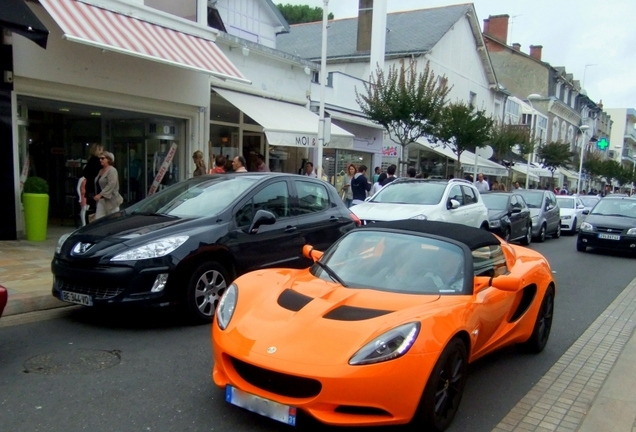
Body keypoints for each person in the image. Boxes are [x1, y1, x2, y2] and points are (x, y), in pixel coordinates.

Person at [94, 151, 123, 220]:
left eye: (102, 158)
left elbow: (111, 184)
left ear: (109, 159)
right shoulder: (100, 171)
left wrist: (100, 194)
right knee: (98, 220)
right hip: (101, 200)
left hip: (111, 200)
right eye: (100, 158)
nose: (100, 160)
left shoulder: (112, 170)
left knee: (113, 221)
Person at [82, 143, 103, 220]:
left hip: (90, 187)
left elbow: (85, 173)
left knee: (92, 207)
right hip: (94, 188)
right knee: (96, 208)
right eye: (100, 150)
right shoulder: (97, 161)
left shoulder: (90, 160)